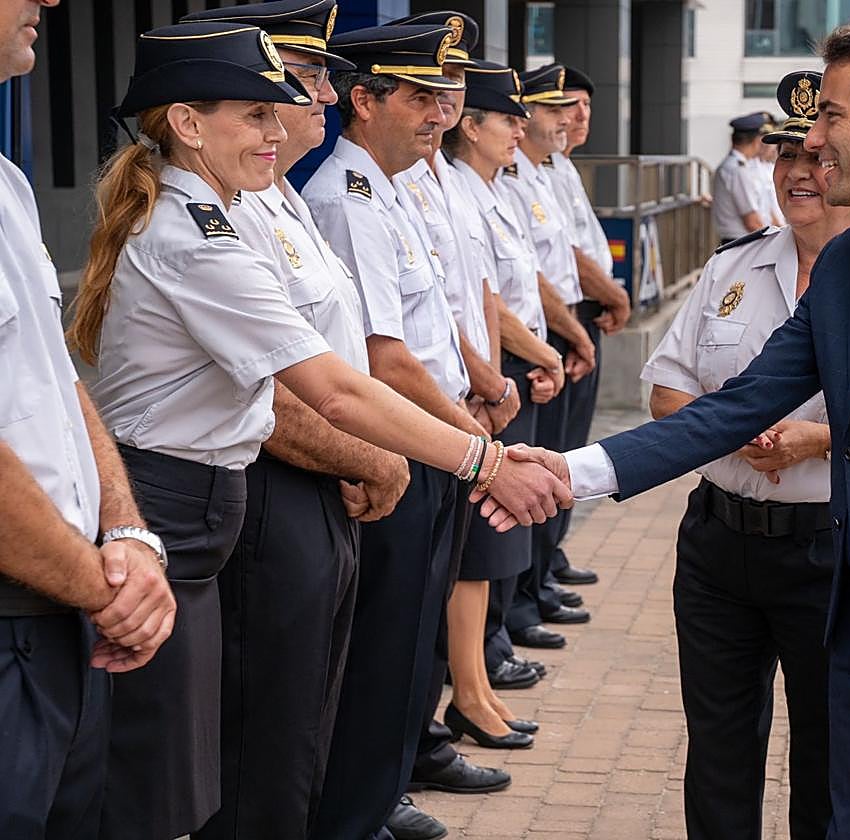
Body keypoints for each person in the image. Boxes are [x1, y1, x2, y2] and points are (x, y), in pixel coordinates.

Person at [509, 20, 850, 839]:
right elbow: (736, 406)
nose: (811, 141)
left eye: (832, 117)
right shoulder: (847, 265)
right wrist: (573, 472)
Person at [67, 22, 569, 840]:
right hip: (175, 497)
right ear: (189, 124)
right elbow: (333, 388)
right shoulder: (195, 235)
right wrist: (484, 461)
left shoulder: (231, 209)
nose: (284, 125)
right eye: (257, 114)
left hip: (211, 496)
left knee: (257, 739)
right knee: (190, 766)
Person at [173, 4, 407, 839]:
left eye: (301, 88)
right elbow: (290, 394)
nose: (316, 101)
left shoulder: (279, 201)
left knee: (307, 715)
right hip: (276, 482)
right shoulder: (218, 217)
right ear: (195, 121)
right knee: (263, 736)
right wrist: (401, 457)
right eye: (287, 88)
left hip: (322, 476)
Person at [300, 24, 516, 840]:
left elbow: (434, 322)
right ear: (365, 99)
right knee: (383, 648)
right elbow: (385, 360)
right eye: (420, 97)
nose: (440, 115)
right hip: (405, 444)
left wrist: (476, 392)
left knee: (411, 637)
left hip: (436, 434)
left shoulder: (390, 188)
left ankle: (378, 797)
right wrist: (475, 441)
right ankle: (355, 811)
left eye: (442, 98)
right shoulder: (347, 199)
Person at [644, 71, 850, 840]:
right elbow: (665, 393)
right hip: (719, 547)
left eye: (817, 156)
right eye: (783, 155)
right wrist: (730, 430)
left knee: (832, 761)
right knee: (719, 754)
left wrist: (822, 439)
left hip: (831, 553)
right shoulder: (731, 269)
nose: (799, 173)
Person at [0, 1, 175, 834]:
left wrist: (127, 534)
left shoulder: (6, 183)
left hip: (57, 606)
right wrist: (105, 592)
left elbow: (54, 381)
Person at [433, 58, 564, 755]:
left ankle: (475, 688)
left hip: (487, 384)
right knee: (472, 553)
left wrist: (504, 378)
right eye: (507, 117)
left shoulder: (479, 189)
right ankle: (468, 694)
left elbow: (487, 295)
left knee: (484, 549)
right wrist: (494, 379)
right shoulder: (446, 186)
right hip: (460, 392)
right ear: (471, 127)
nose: (522, 127)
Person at [495, 62, 595, 656]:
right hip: (529, 348)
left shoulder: (549, 172)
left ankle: (536, 580)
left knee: (557, 461)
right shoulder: (502, 181)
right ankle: (518, 606)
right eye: (555, 109)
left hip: (557, 333)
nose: (567, 120)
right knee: (522, 485)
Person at [540, 64, 628, 595]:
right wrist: (614, 295)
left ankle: (547, 559)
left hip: (576, 320)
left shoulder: (562, 169)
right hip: (558, 322)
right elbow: (565, 258)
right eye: (563, 106)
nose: (576, 117)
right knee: (554, 448)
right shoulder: (534, 171)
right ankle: (534, 577)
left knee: (569, 446)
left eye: (583, 108)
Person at [712, 111, 772, 245]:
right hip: (741, 243)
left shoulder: (735, 166)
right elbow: (751, 221)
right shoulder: (737, 170)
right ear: (757, 141)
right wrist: (771, 245)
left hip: (742, 242)